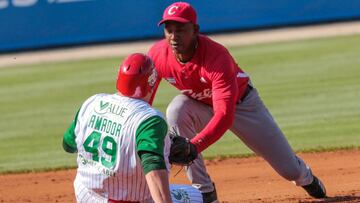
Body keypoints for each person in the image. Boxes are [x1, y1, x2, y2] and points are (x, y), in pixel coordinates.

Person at [148, 2, 327, 202]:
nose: (173, 36)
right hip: (200, 104)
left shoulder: (216, 57)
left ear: (195, 30)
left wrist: (195, 146)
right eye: (169, 30)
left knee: (289, 170)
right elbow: (145, 100)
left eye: (180, 29)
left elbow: (224, 115)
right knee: (177, 110)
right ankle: (205, 191)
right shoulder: (157, 55)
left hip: (242, 105)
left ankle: (306, 177)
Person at [62, 53, 203, 203]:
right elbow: (153, 169)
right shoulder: (149, 120)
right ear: (152, 83)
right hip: (130, 200)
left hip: (87, 197)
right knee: (197, 197)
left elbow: (68, 145)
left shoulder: (91, 103)